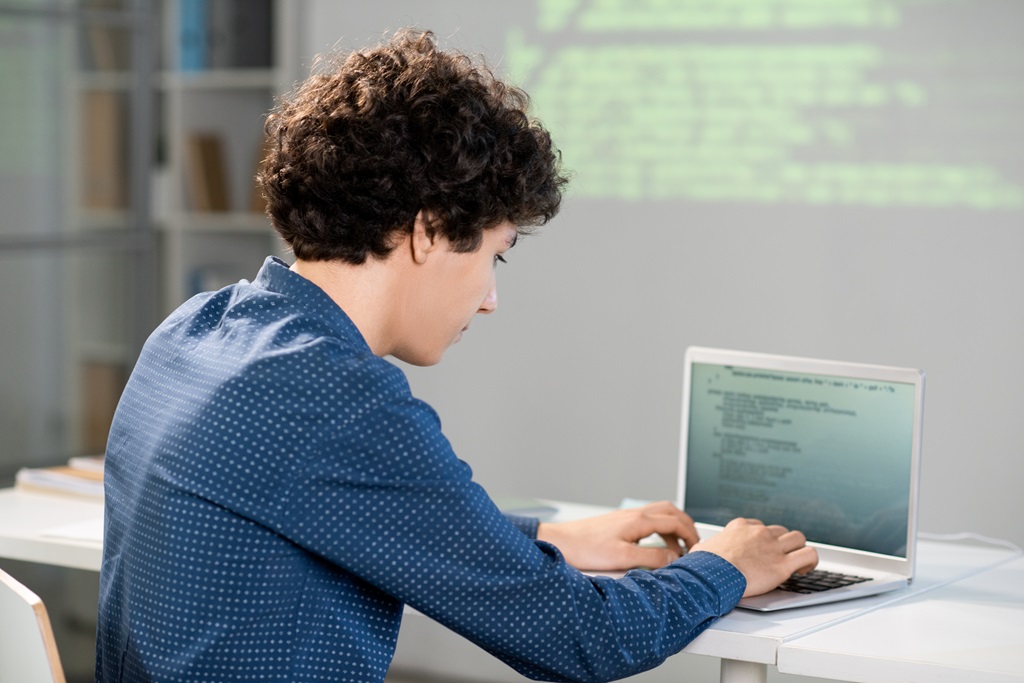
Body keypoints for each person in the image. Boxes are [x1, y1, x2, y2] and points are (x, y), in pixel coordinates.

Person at [95, 29, 817, 683]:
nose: (489, 298)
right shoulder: (338, 396)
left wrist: (545, 540)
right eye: (495, 255)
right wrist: (722, 566)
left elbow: (328, 506)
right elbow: (582, 637)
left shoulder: (196, 330)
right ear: (429, 232)